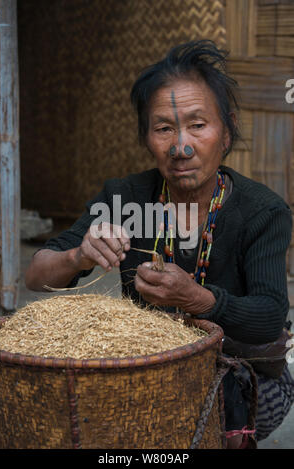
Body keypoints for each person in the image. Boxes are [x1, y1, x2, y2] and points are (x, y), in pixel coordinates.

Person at [25, 40, 294, 449]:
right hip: (147, 365)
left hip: (237, 368)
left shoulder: (263, 212)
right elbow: (36, 275)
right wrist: (79, 254)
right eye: (164, 128)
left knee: (207, 417)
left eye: (198, 125)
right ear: (147, 137)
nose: (180, 147)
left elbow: (269, 318)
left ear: (226, 132)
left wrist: (197, 298)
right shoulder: (124, 197)